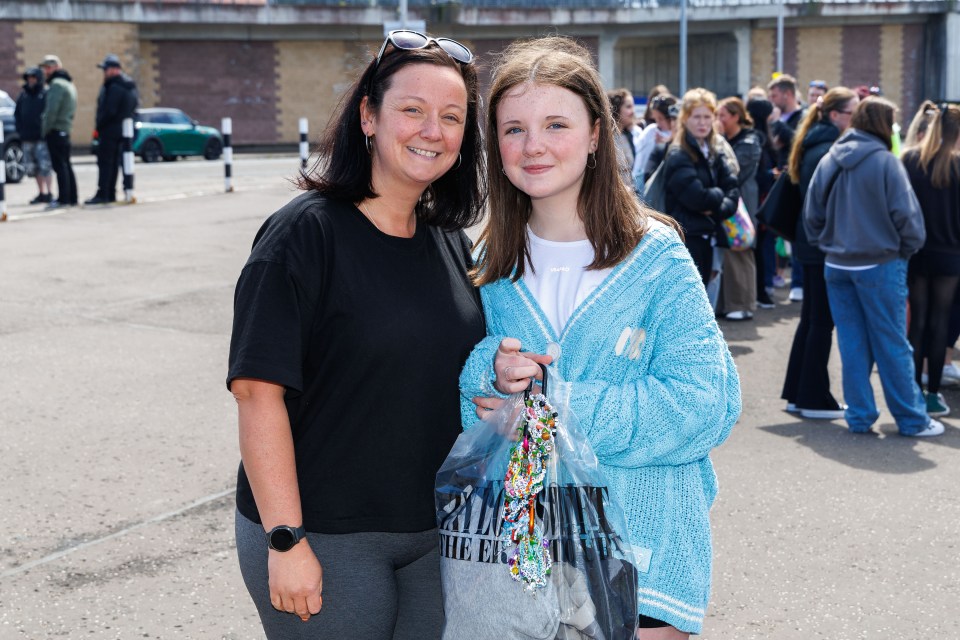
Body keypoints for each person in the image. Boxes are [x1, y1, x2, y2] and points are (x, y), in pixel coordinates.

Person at [461, 36, 740, 638]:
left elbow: (705, 404)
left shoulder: (656, 256)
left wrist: (560, 407)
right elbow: (468, 412)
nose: (532, 145)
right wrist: (489, 374)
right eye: (512, 129)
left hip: (645, 560)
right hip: (525, 561)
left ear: (595, 134)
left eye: (555, 124)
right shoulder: (489, 265)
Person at [227, 30, 486, 639]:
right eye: (412, 110)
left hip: (434, 534)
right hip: (325, 534)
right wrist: (286, 539)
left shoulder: (448, 237)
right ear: (369, 115)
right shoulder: (302, 237)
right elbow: (257, 393)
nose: (433, 130)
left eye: (451, 117)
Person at [804, 97, 943, 437]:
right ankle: (911, 419)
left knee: (852, 343)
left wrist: (830, 243)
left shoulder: (831, 158)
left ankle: (860, 416)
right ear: (883, 123)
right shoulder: (885, 162)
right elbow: (908, 219)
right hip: (879, 263)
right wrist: (905, 250)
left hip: (837, 264)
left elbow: (812, 216)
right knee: (892, 343)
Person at [780, 87, 858, 419]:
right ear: (836, 115)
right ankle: (812, 396)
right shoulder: (828, 148)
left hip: (808, 242)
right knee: (820, 321)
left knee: (812, 319)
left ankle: (800, 394)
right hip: (820, 244)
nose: (857, 119)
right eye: (853, 112)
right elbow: (829, 204)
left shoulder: (812, 141)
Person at [903, 103, 960, 417]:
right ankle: (933, 394)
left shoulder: (910, 160)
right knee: (940, 323)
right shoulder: (957, 165)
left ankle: (912, 392)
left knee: (918, 323)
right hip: (950, 257)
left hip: (917, 252)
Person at [663, 88, 740, 286]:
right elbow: (698, 199)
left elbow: (732, 189)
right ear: (685, 119)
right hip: (687, 240)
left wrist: (715, 207)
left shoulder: (714, 150)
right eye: (697, 116)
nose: (703, 122)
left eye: (707, 116)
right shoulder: (678, 153)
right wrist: (718, 195)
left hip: (708, 234)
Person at [715, 97, 761, 321]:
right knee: (728, 256)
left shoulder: (749, 142)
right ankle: (729, 303)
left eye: (722, 115)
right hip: (729, 205)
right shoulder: (729, 140)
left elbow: (735, 174)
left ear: (735, 116)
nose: (718, 120)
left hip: (742, 207)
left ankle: (743, 304)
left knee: (742, 253)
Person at [86, 54, 139, 205]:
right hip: (121, 130)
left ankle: (104, 193)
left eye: (106, 69)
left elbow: (109, 110)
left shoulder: (114, 87)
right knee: (113, 163)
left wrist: (100, 125)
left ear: (115, 70)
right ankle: (110, 193)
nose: (104, 72)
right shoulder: (128, 86)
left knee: (105, 163)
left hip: (109, 130)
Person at [746, 96, 779, 308]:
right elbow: (758, 172)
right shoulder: (758, 138)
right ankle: (760, 290)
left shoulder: (759, 137)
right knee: (760, 247)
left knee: (761, 247)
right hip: (759, 198)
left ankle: (761, 289)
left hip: (760, 197)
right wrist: (771, 174)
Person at [39, 54, 78, 209]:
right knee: (66, 165)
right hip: (65, 129)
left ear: (56, 68)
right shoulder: (69, 84)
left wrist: (45, 129)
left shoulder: (56, 84)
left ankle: (64, 199)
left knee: (60, 166)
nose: (45, 72)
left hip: (56, 130)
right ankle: (72, 198)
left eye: (48, 68)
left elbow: (51, 111)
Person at [13, 67, 53, 205]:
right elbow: (17, 114)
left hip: (41, 137)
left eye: (33, 78)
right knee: (32, 168)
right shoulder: (23, 95)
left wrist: (45, 130)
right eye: (29, 78)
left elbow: (49, 112)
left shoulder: (45, 93)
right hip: (27, 137)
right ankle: (41, 193)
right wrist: (20, 130)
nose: (31, 80)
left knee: (45, 166)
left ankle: (49, 192)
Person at [637, 93, 678, 185]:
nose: (658, 123)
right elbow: (639, 158)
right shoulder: (652, 131)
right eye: (656, 119)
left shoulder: (680, 135)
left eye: (660, 119)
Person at [609, 88, 638, 187]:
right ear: (616, 108)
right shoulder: (606, 139)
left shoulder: (628, 135)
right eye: (628, 107)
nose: (633, 111)